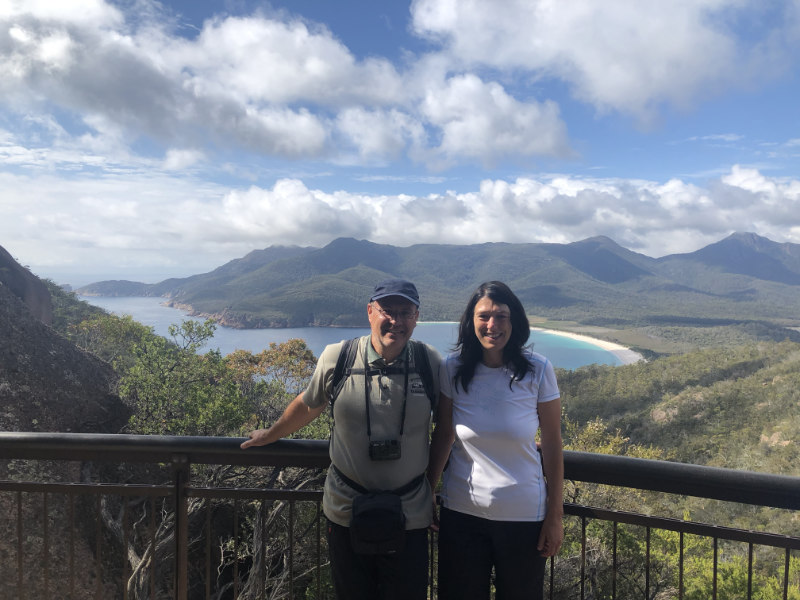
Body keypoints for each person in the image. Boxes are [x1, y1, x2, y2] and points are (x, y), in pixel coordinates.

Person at [241, 278, 441, 600]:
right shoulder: (339, 357)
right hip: (347, 510)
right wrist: (270, 434)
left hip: (410, 512)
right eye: (387, 310)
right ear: (370, 312)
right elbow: (309, 403)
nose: (396, 320)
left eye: (405, 312)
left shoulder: (429, 362)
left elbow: (447, 426)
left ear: (416, 317)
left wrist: (433, 484)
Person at [427, 281, 564, 600]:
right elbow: (444, 433)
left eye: (501, 316)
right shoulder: (453, 368)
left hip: (523, 517)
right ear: (470, 322)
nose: (492, 325)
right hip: (462, 514)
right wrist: (427, 491)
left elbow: (553, 444)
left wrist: (554, 517)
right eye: (484, 316)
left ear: (514, 321)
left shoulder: (538, 371)